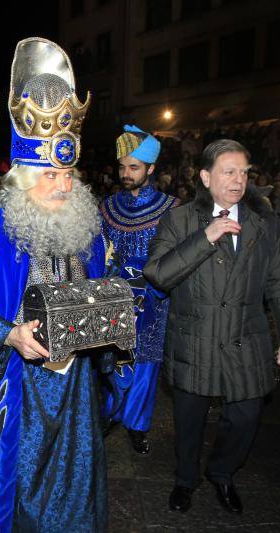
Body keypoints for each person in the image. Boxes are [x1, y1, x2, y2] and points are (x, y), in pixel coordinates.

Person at [0, 37, 109, 532]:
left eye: (69, 173)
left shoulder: (89, 225)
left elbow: (105, 287)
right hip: (20, 386)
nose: (63, 186)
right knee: (25, 492)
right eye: (51, 174)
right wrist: (9, 334)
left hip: (76, 387)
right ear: (22, 174)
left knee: (78, 487)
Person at [144, 139, 280, 515]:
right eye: (229, 171)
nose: (238, 180)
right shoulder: (181, 219)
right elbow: (159, 275)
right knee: (189, 421)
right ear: (205, 176)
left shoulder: (263, 223)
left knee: (245, 417)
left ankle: (222, 473)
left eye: (244, 172)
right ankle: (186, 480)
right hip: (195, 341)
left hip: (246, 339)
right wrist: (206, 237)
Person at [99, 125, 177, 455]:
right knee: (112, 360)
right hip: (114, 298)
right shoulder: (107, 207)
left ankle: (137, 425)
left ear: (151, 168)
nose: (126, 173)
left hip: (153, 301)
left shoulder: (172, 208)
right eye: (122, 166)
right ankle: (110, 414)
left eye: (134, 167)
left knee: (145, 365)